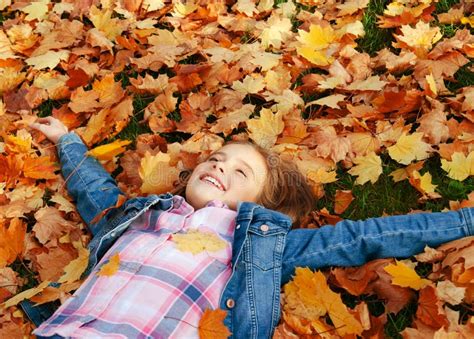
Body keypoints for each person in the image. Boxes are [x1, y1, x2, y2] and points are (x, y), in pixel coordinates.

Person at [22, 116, 473, 338]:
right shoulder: (144, 216)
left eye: (241, 174)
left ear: (260, 207)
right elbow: (94, 193)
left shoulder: (257, 247)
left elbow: (362, 237)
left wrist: (466, 221)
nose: (220, 167)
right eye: (217, 159)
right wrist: (67, 139)